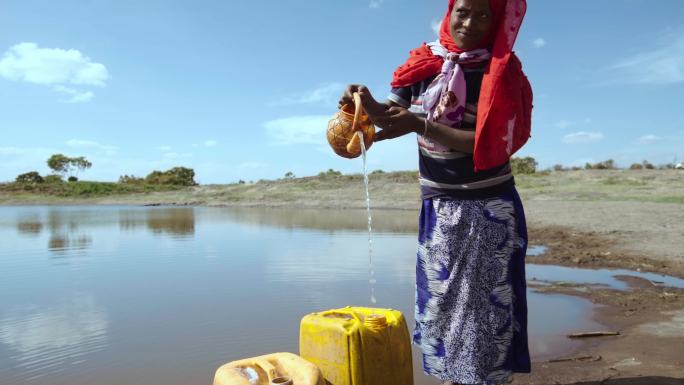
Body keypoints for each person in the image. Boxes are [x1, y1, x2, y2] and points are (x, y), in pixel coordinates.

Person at [338, 0, 533, 384]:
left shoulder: (502, 71)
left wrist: (421, 124)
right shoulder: (422, 64)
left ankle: (480, 379)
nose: (470, 22)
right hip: (439, 204)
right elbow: (390, 120)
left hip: (487, 205)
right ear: (449, 13)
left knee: (481, 307)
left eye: (483, 15)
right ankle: (455, 377)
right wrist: (364, 102)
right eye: (463, 11)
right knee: (444, 300)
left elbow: (488, 143)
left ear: (497, 22)